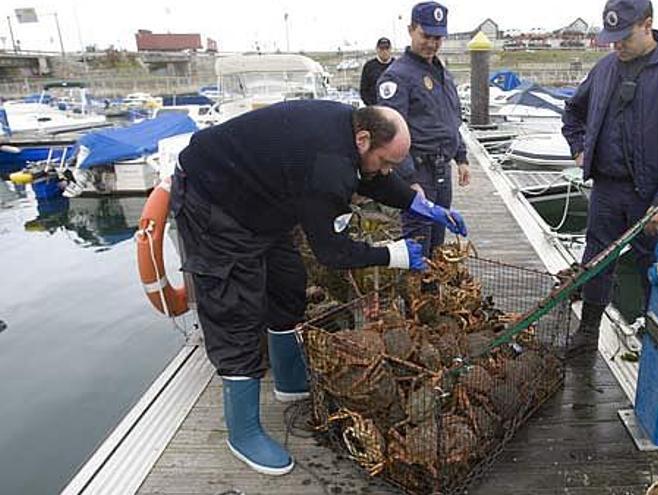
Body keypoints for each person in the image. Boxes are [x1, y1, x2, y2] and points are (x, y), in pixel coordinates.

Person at [171, 101, 467, 476]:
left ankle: (290, 382)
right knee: (237, 311)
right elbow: (332, 251)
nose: (390, 170)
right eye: (388, 161)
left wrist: (417, 203)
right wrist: (392, 255)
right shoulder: (330, 166)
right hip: (212, 200)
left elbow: (373, 176)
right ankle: (242, 433)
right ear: (363, 139)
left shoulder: (354, 131)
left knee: (288, 282)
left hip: (263, 198)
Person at [561, 0, 658, 352]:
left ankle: (655, 340)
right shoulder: (605, 69)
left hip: (651, 195)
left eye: (623, 37)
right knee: (595, 262)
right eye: (612, 38)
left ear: (647, 25)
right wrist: (579, 149)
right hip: (607, 189)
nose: (617, 45)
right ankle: (588, 332)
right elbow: (573, 111)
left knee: (653, 270)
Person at [376, 1, 470, 258]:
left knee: (437, 245)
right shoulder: (397, 77)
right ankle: (414, 296)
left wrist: (461, 158)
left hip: (442, 172)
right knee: (418, 244)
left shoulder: (442, 74)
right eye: (426, 35)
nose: (432, 43)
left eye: (438, 37)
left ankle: (431, 295)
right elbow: (388, 135)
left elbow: (450, 120)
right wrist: (409, 180)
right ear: (411, 30)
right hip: (418, 171)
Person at [359, 37, 395, 106]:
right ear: (377, 49)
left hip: (394, 108)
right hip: (375, 109)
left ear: (390, 49)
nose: (384, 51)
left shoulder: (397, 65)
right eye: (381, 48)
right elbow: (364, 91)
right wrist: (373, 106)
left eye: (387, 48)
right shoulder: (369, 66)